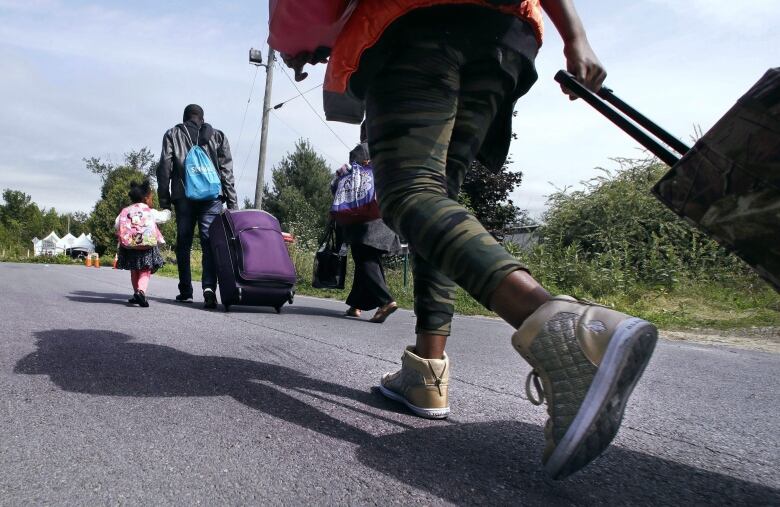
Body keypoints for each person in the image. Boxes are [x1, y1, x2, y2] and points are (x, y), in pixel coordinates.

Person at [282, 0, 657, 479]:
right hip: (502, 35)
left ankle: (564, 328)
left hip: (414, 23)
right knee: (439, 197)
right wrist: (575, 37)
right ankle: (425, 373)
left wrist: (304, 36)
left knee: (407, 194)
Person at [157, 104, 238, 309]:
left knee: (183, 243)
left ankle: (185, 290)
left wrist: (165, 199)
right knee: (209, 242)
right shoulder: (218, 136)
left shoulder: (173, 134)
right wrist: (232, 203)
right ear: (202, 118)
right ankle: (209, 289)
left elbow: (165, 167)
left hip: (183, 196)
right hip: (211, 198)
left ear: (184, 118)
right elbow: (226, 171)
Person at [337, 142, 401, 323]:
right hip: (386, 223)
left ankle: (386, 301)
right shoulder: (389, 163)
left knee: (365, 260)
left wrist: (340, 176)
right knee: (367, 261)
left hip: (365, 224)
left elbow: (341, 189)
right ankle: (355, 305)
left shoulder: (360, 158)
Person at [115, 180, 170, 308]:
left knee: (134, 270)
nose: (151, 201)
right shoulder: (149, 211)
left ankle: (136, 293)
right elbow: (164, 217)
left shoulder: (125, 210)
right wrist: (168, 210)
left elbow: (117, 224)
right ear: (146, 198)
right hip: (146, 244)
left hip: (129, 245)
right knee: (145, 270)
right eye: (151, 198)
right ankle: (141, 292)